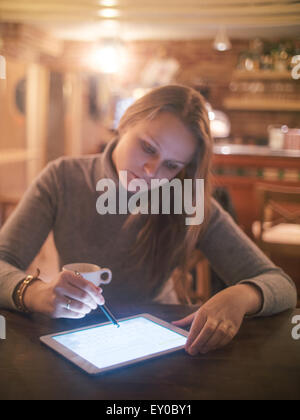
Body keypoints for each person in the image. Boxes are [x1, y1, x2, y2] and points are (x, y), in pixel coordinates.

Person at [0, 85, 297, 356]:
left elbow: (280, 285)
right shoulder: (62, 178)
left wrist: (241, 296)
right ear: (125, 122)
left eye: (171, 165)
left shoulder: (184, 198)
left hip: (156, 338)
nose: (152, 171)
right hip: (73, 335)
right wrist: (37, 292)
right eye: (148, 147)